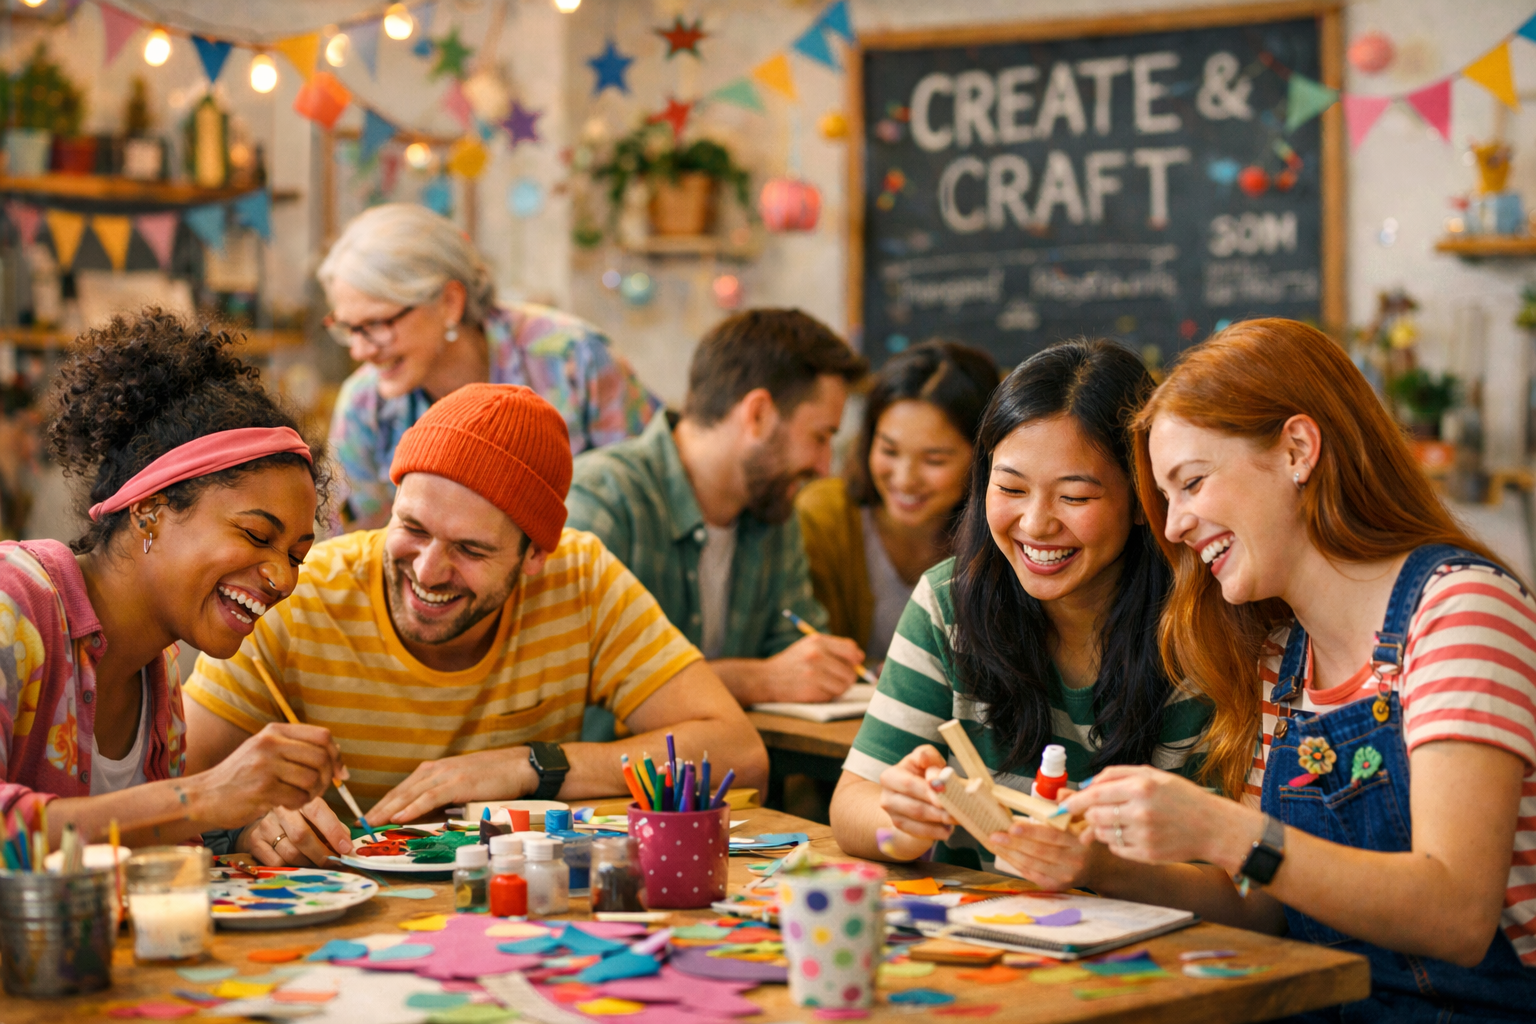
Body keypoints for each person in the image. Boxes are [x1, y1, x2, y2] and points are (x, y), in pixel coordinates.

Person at [1042, 319, 1536, 1018]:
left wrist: (1220, 829)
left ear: (1298, 449)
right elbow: (1267, 905)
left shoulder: (1460, 611)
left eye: (1191, 482)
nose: (1175, 526)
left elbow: (1455, 914)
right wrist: (1099, 866)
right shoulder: (1284, 656)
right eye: (1167, 496)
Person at [186, 383, 768, 867]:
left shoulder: (582, 579)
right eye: (413, 526)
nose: (429, 570)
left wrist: (528, 766)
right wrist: (249, 827)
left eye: (470, 548)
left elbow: (738, 751)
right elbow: (173, 789)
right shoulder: (300, 594)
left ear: (535, 555)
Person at [830, 340, 1212, 880]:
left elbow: (1245, 896)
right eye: (1009, 487)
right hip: (985, 944)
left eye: (1075, 498)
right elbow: (852, 805)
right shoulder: (950, 604)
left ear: (1143, 501)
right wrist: (903, 821)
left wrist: (1097, 867)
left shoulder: (1195, 630)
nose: (1035, 524)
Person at [0, 311, 345, 848]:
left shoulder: (157, 674)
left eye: (297, 556)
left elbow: (138, 848)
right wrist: (205, 797)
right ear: (150, 509)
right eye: (256, 536)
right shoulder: (13, 604)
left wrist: (245, 832)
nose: (281, 578)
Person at [566, 309, 870, 706]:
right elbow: (576, 681)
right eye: (820, 436)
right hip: (619, 768)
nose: (824, 466)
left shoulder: (773, 509)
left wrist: (819, 668)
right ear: (758, 414)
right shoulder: (603, 498)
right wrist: (757, 680)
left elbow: (794, 653)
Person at [321, 203, 661, 529]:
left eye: (377, 325)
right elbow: (351, 553)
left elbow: (648, 497)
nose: (359, 350)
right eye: (348, 328)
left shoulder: (574, 360)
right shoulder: (362, 405)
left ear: (450, 303)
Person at [796, 341, 998, 668]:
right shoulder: (824, 516)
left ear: (981, 458)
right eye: (889, 451)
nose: (904, 480)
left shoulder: (1005, 533)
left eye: (934, 460)